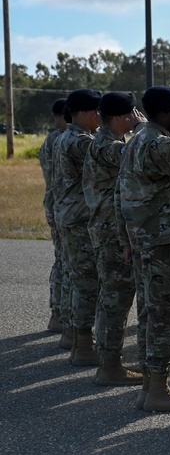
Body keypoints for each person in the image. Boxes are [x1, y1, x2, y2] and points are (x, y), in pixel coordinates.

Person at [119, 85, 170, 412]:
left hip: (144, 239)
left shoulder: (137, 138)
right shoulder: (161, 145)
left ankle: (152, 387)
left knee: (152, 312)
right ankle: (157, 390)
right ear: (169, 113)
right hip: (162, 241)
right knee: (164, 315)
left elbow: (119, 191)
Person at [84, 91, 146, 386]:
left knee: (112, 297)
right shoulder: (107, 147)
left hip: (108, 228)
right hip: (111, 232)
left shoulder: (104, 142)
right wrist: (144, 129)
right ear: (124, 117)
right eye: (132, 114)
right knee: (115, 299)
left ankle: (109, 360)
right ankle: (109, 365)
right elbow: (139, 153)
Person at [53, 89, 103, 367]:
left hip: (72, 216)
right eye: (96, 111)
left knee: (77, 279)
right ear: (83, 112)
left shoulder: (68, 137)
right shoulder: (79, 141)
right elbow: (110, 156)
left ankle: (75, 337)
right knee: (86, 283)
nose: (100, 116)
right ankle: (83, 345)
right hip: (79, 219)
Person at [39, 97, 68, 335]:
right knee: (69, 264)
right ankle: (63, 314)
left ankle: (57, 313)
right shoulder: (64, 139)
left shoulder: (50, 140)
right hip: (67, 207)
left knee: (61, 260)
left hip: (56, 206)